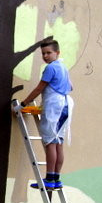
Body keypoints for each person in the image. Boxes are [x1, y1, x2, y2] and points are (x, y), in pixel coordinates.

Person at [18, 38, 74, 190]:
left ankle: (49, 178)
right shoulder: (63, 67)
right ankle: (56, 178)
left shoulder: (50, 68)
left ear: (57, 52)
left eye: (49, 53)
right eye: (43, 53)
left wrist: (24, 104)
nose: (46, 56)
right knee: (58, 143)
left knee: (50, 143)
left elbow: (39, 88)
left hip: (54, 107)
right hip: (65, 105)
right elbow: (70, 86)